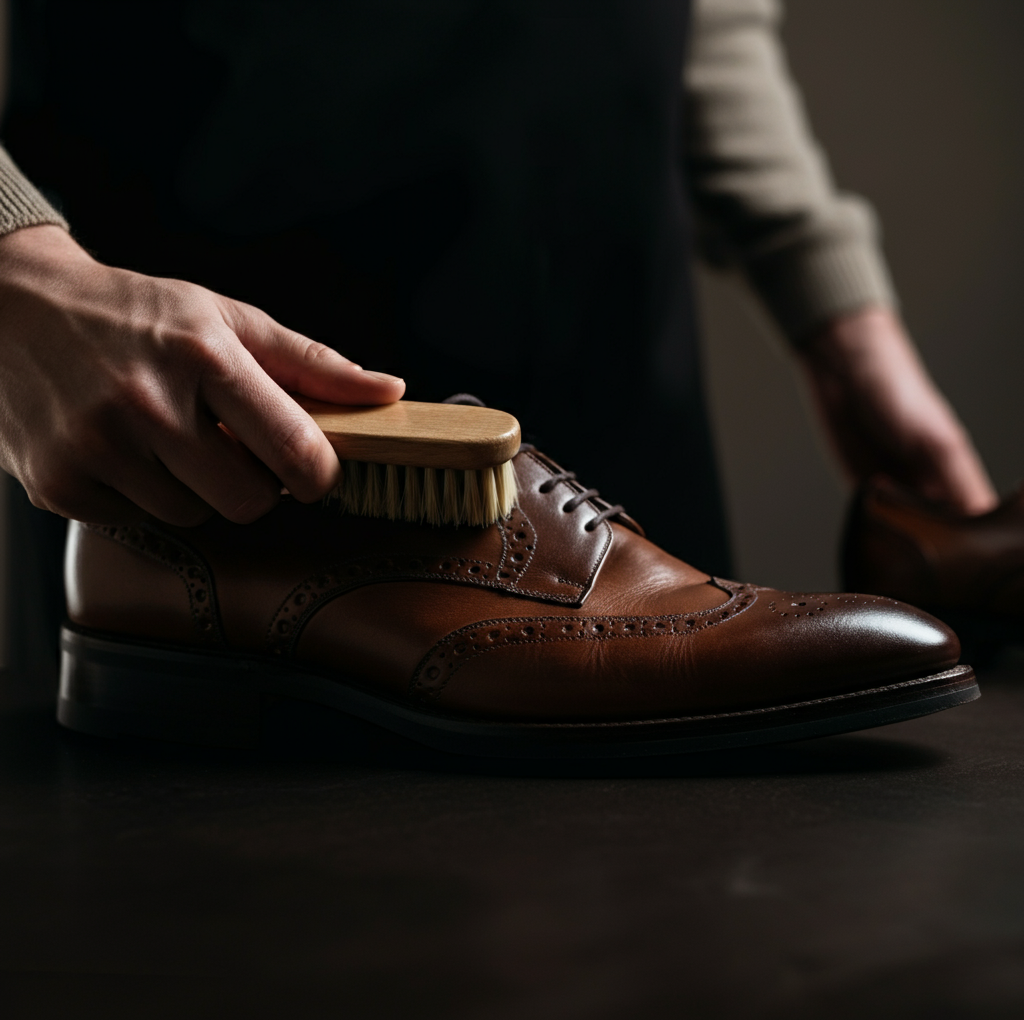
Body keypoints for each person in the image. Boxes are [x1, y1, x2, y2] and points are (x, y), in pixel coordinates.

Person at [0, 0, 995, 682]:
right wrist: (20, 273)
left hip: (603, 331)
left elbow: (709, 20)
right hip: (201, 436)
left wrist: (841, 322)